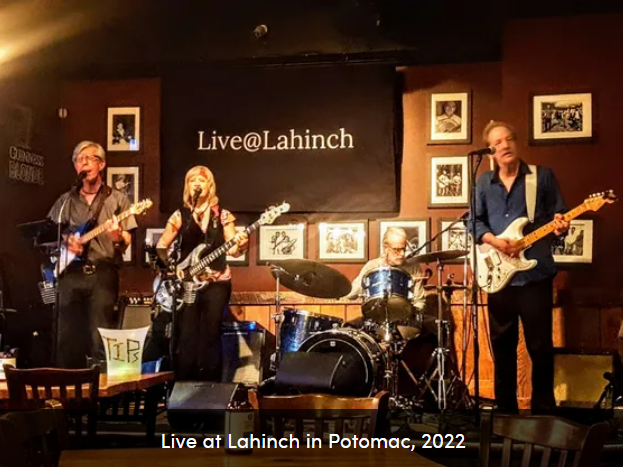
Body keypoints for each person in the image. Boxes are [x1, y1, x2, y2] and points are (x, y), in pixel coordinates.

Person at [472, 121, 569, 413]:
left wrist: (561, 226)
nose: (505, 145)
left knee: (540, 347)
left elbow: (559, 216)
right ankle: (505, 413)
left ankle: (543, 413)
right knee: (502, 347)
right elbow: (474, 222)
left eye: (509, 139)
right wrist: (495, 241)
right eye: (498, 142)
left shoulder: (542, 177)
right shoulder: (483, 183)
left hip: (534, 276)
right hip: (498, 276)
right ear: (490, 151)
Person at [48, 141, 137, 368]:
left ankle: (100, 387)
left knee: (100, 339)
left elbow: (127, 240)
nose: (84, 163)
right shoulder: (65, 201)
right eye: (79, 160)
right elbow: (49, 236)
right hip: (70, 275)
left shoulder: (117, 199)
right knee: (66, 339)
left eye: (89, 158)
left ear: (102, 164)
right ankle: (66, 386)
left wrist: (117, 236)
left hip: (102, 275)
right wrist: (66, 243)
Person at [156, 165, 248, 381]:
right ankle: (183, 385)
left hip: (217, 282)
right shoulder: (181, 216)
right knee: (186, 334)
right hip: (187, 283)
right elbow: (161, 245)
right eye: (192, 180)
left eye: (202, 180)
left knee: (211, 333)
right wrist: (173, 270)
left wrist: (242, 245)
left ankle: (210, 387)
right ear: (187, 186)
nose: (197, 184)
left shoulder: (223, 215)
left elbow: (233, 250)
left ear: (210, 185)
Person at [346, 227, 426, 335]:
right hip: (376, 320)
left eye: (404, 249)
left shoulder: (414, 268)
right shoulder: (372, 266)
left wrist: (413, 317)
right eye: (397, 249)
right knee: (348, 328)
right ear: (385, 248)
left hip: (405, 321)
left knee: (434, 328)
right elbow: (351, 295)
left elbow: (419, 302)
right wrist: (363, 281)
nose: (402, 254)